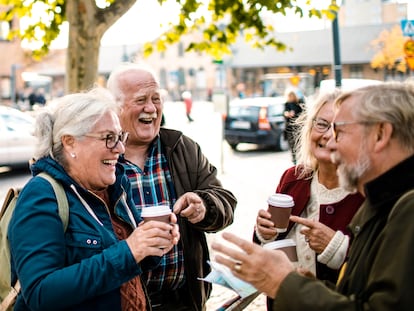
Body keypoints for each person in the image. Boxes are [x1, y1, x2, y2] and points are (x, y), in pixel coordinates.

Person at [212, 82, 414, 311]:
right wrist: (304, 284)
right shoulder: (384, 199)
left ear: (380, 134)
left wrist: (284, 283)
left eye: (340, 131)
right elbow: (361, 294)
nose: (332, 142)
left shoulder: (405, 206)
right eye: (324, 126)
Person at [8, 87, 180, 311]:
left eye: (120, 137)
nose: (120, 148)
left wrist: (151, 245)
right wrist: (130, 251)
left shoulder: (115, 186)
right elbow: (41, 294)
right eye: (109, 138)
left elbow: (123, 266)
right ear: (70, 142)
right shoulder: (42, 194)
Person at [106, 62, 237, 311]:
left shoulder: (182, 147)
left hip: (183, 301)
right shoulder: (103, 156)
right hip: (123, 303)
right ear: (115, 106)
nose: (151, 108)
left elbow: (225, 202)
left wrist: (204, 206)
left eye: (156, 98)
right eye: (141, 99)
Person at [254, 90, 364, 309]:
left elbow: (378, 269)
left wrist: (336, 247)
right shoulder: (293, 177)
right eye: (322, 124)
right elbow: (270, 243)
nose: (328, 135)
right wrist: (264, 233)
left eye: (340, 128)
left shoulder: (365, 192)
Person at [283, 90, 304, 164]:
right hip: (289, 127)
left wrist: (294, 114)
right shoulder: (287, 104)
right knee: (292, 145)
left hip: (297, 127)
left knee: (299, 144)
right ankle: (294, 160)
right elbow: (284, 112)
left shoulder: (299, 103)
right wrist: (287, 114)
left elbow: (302, 114)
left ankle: (299, 159)